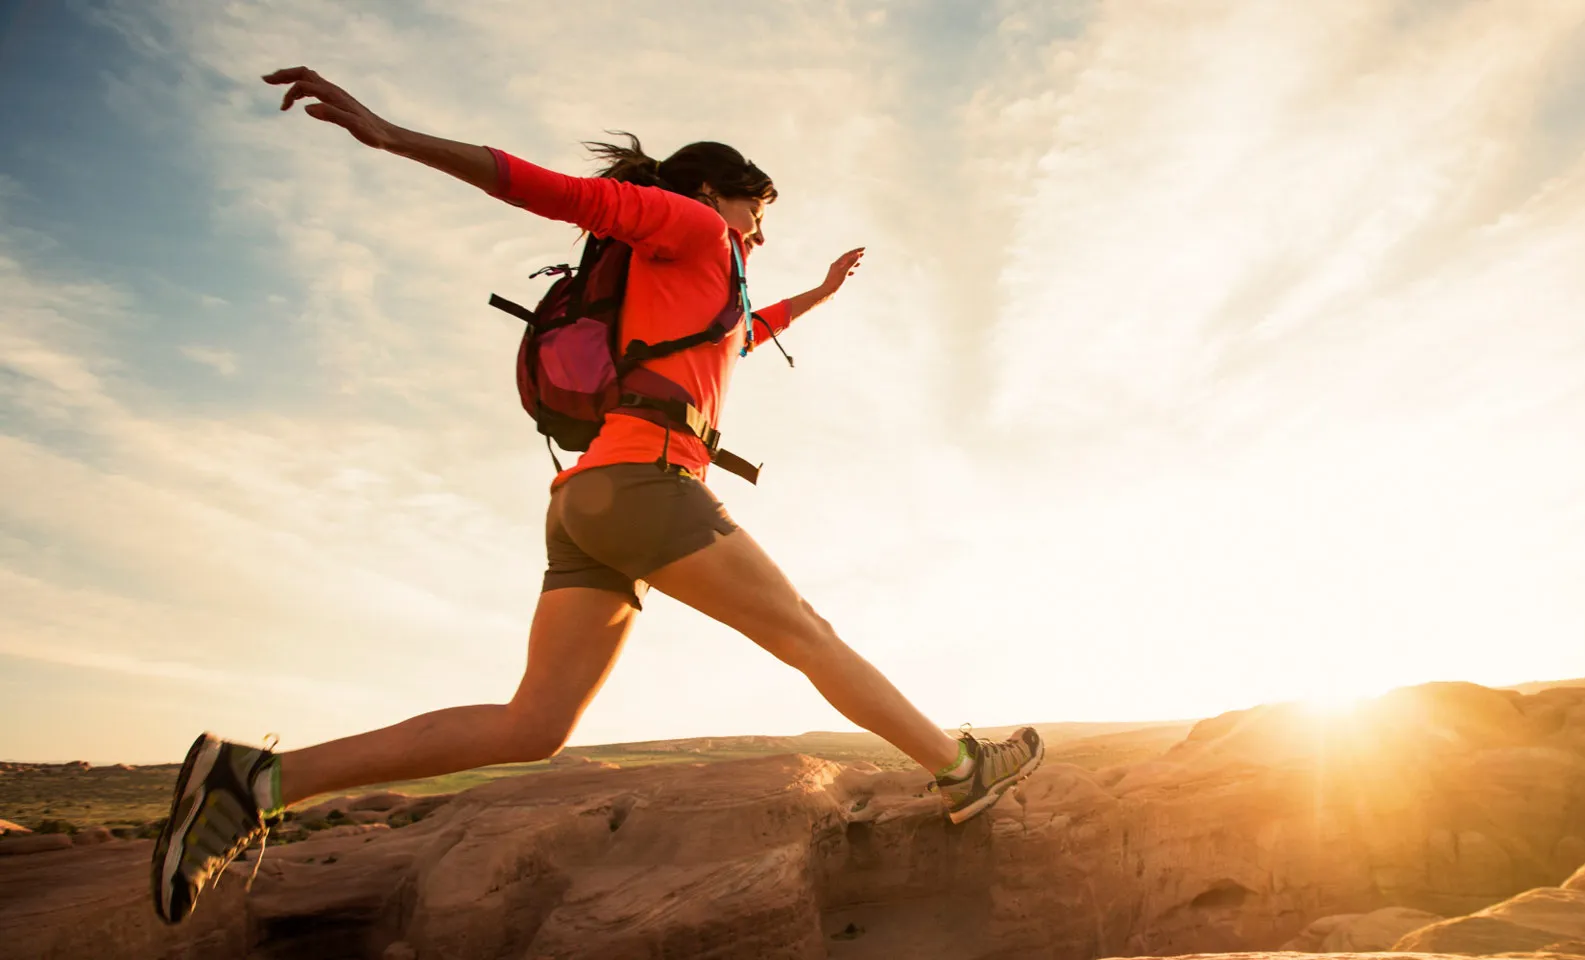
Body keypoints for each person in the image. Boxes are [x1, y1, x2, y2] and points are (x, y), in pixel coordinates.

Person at [149, 66, 1045, 925]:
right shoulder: (688, 226)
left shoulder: (699, 277)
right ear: (715, 192)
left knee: (533, 723)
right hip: (646, 485)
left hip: (592, 501)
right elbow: (542, 187)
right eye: (759, 212)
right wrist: (387, 135)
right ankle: (962, 768)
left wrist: (815, 294)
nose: (761, 235)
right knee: (805, 633)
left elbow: (738, 338)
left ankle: (253, 782)